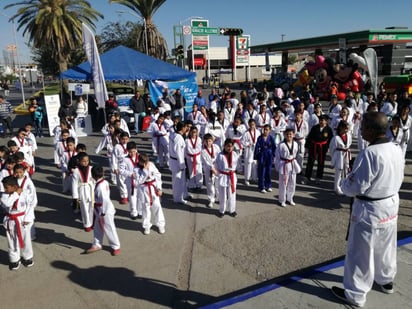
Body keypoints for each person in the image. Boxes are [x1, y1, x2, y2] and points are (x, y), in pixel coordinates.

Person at [331, 112, 404, 308]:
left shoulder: (369, 154)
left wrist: (346, 182)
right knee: (386, 245)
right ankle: (385, 279)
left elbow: (355, 187)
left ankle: (355, 293)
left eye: (363, 126)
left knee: (360, 251)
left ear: (371, 130)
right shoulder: (396, 148)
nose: (360, 130)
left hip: (370, 207)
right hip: (390, 202)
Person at [1, 175, 34, 270]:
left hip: (22, 218)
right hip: (10, 219)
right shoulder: (4, 195)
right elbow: (7, 203)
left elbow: (30, 205)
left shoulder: (25, 193)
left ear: (14, 187)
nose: (5, 189)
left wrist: (28, 218)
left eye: (6, 187)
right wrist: (16, 194)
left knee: (26, 238)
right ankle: (14, 259)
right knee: (12, 240)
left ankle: (27, 257)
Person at [86, 166, 121, 256]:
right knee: (97, 228)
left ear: (93, 175)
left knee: (109, 228)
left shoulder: (100, 186)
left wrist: (103, 212)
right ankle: (97, 244)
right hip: (100, 210)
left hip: (104, 211)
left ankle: (116, 246)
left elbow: (104, 200)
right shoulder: (104, 182)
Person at [135, 153, 166, 235]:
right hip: (144, 189)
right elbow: (138, 182)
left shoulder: (151, 165)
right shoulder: (136, 169)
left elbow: (158, 176)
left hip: (153, 188)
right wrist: (145, 171)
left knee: (157, 207)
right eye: (144, 163)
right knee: (146, 208)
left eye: (147, 162)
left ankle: (160, 225)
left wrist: (159, 188)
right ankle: (146, 226)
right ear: (140, 162)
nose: (146, 164)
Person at [303, 114, 333, 184]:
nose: (321, 122)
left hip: (323, 147)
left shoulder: (328, 129)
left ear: (326, 121)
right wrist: (307, 147)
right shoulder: (315, 127)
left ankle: (318, 178)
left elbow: (331, 139)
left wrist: (328, 147)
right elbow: (309, 137)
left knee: (321, 162)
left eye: (323, 120)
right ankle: (307, 177)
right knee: (310, 161)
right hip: (314, 145)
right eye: (320, 120)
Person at [275, 128, 301, 207]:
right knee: (283, 183)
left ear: (293, 135)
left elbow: (296, 154)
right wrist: (278, 166)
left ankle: (290, 198)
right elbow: (277, 156)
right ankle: (281, 200)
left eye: (290, 134)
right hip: (284, 164)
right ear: (284, 135)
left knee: (292, 182)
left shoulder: (296, 144)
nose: (289, 135)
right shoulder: (281, 144)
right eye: (287, 134)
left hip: (292, 163)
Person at [215, 138, 239, 218]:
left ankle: (232, 210)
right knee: (223, 195)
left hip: (232, 175)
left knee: (232, 194)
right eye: (228, 146)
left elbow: (237, 165)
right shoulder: (220, 155)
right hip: (223, 175)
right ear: (224, 146)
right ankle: (222, 210)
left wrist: (238, 171)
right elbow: (216, 166)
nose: (229, 148)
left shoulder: (235, 154)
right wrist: (218, 174)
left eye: (231, 146)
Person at [71, 152, 94, 231]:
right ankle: (87, 224)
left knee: (91, 206)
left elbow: (94, 180)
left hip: (91, 189)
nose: (85, 163)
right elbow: (74, 184)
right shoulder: (76, 171)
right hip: (81, 190)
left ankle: (91, 222)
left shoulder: (91, 168)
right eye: (83, 161)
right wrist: (75, 197)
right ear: (79, 161)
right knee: (84, 207)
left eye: (87, 161)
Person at [119, 141, 141, 220]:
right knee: (132, 197)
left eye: (134, 151)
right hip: (130, 181)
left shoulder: (140, 157)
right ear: (127, 151)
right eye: (130, 152)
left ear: (136, 149)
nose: (132, 153)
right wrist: (130, 174)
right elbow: (121, 170)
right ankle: (133, 212)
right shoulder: (125, 159)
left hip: (140, 180)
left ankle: (140, 211)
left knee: (140, 196)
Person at [169, 121, 190, 204]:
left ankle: (184, 194)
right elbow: (179, 152)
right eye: (186, 127)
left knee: (182, 180)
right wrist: (182, 165)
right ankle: (178, 198)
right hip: (177, 161)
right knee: (178, 180)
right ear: (183, 128)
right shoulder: (179, 138)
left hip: (174, 159)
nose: (187, 129)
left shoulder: (173, 134)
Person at [329, 120, 352, 196]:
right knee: (338, 172)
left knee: (346, 171)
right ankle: (336, 188)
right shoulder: (335, 138)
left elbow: (349, 144)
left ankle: (343, 186)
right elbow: (332, 149)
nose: (347, 130)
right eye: (345, 128)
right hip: (339, 155)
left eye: (348, 128)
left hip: (346, 154)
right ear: (341, 128)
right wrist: (334, 157)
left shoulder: (348, 135)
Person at [254, 124, 276, 193]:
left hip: (269, 155)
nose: (265, 131)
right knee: (262, 171)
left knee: (268, 171)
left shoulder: (271, 138)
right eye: (264, 129)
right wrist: (257, 157)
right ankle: (261, 186)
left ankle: (268, 185)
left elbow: (274, 147)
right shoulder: (260, 138)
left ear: (270, 131)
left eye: (267, 130)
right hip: (262, 155)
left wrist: (274, 156)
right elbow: (257, 147)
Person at [201, 133, 220, 208]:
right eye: (206, 141)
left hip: (217, 167)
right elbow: (206, 162)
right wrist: (212, 168)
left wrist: (218, 167)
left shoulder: (216, 147)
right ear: (204, 142)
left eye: (210, 141)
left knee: (218, 184)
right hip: (208, 169)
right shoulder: (203, 151)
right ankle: (211, 199)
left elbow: (220, 156)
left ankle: (218, 198)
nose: (208, 143)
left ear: (212, 141)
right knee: (210, 185)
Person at [241, 118, 260, 186]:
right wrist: (248, 144)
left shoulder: (257, 132)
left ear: (255, 125)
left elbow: (259, 140)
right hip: (249, 150)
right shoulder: (246, 133)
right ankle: (247, 179)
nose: (252, 126)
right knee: (248, 164)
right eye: (251, 125)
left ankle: (254, 178)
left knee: (255, 164)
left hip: (255, 150)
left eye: (253, 124)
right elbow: (242, 141)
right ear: (248, 125)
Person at [185, 126, 203, 192]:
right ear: (190, 132)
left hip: (197, 158)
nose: (193, 134)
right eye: (192, 132)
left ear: (197, 132)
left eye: (195, 132)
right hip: (190, 158)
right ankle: (192, 186)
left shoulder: (199, 139)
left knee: (198, 172)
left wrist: (194, 152)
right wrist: (192, 153)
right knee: (191, 172)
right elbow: (188, 150)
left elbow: (199, 149)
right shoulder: (187, 140)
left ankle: (199, 185)